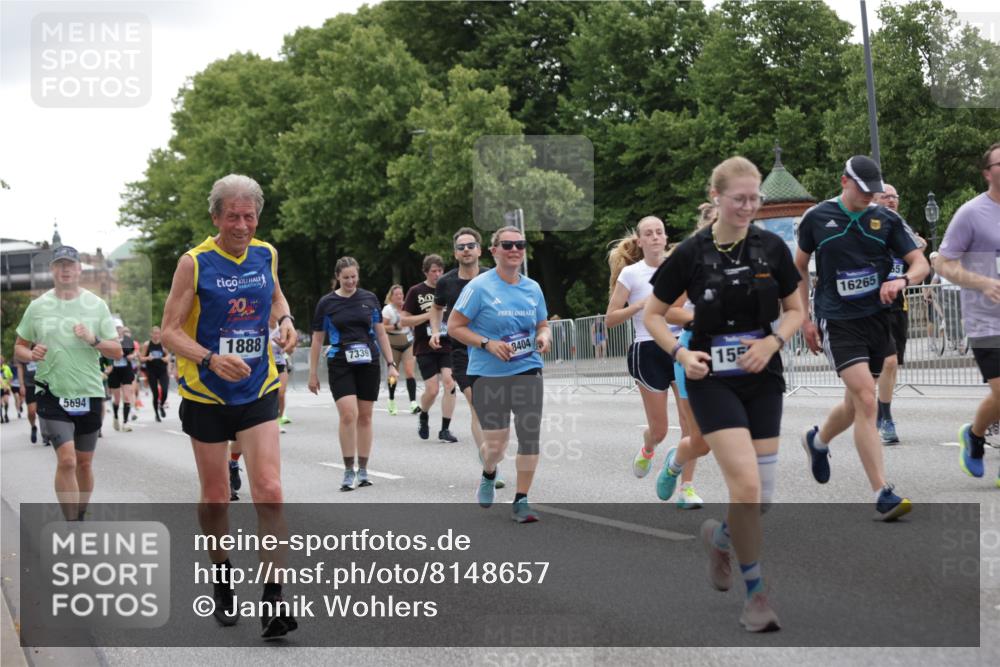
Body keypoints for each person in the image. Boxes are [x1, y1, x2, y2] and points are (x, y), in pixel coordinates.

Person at [645, 156, 805, 632]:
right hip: (710, 377)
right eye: (740, 199)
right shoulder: (691, 253)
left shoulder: (771, 247)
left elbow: (796, 309)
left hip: (763, 376)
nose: (749, 207)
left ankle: (720, 539)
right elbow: (654, 315)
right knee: (747, 487)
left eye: (755, 199)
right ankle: (756, 594)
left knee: (763, 498)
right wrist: (680, 353)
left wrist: (774, 341)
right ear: (716, 198)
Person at [160, 173, 298, 639]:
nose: (242, 224)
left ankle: (274, 600)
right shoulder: (193, 264)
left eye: (250, 215)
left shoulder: (266, 253)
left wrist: (285, 319)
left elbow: (275, 292)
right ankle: (221, 575)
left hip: (258, 387)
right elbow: (170, 332)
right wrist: (211, 359)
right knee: (217, 496)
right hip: (208, 393)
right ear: (215, 216)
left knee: (270, 489)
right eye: (233, 216)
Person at [796, 156, 928, 520]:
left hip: (876, 318)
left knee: (855, 404)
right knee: (868, 401)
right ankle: (881, 492)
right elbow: (798, 270)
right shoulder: (817, 218)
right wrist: (804, 318)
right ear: (844, 182)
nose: (870, 197)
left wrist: (902, 280)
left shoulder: (886, 219)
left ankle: (817, 439)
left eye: (875, 191)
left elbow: (920, 262)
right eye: (863, 190)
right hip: (837, 320)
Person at [449, 225, 551, 523]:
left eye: (520, 244)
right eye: (507, 245)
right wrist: (487, 343)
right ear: (493, 251)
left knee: (529, 437)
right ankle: (489, 471)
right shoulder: (478, 287)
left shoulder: (532, 288)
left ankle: (521, 500)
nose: (515, 249)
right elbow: (455, 327)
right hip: (488, 373)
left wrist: (544, 337)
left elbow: (542, 324)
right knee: (496, 445)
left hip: (527, 367)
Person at [14, 245, 123, 521]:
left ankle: (81, 513)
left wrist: (93, 340)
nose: (65, 269)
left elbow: (117, 351)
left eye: (70, 265)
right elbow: (19, 348)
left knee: (84, 464)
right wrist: (31, 353)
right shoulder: (37, 307)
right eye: (59, 264)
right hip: (51, 391)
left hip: (88, 391)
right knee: (68, 460)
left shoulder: (96, 305)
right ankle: (72, 524)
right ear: (52, 270)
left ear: (78, 269)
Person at [605, 215, 704, 508]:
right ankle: (649, 447)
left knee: (691, 425)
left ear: (665, 237)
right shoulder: (631, 274)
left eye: (659, 232)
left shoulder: (680, 268)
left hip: (678, 344)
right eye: (649, 233)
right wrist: (638, 306)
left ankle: (686, 486)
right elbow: (610, 319)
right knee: (660, 430)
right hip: (647, 349)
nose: (655, 237)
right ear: (640, 241)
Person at [934, 142, 1000, 485]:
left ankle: (975, 435)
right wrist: (982, 282)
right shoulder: (971, 213)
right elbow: (943, 263)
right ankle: (975, 436)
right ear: (987, 172)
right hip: (986, 319)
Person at [309, 257, 398, 491]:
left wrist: (391, 363)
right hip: (340, 362)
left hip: (368, 360)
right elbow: (317, 339)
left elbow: (380, 333)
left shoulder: (369, 299)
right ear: (338, 276)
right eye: (346, 277)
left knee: (365, 417)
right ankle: (348, 470)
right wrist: (312, 374)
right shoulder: (326, 303)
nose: (350, 281)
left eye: (354, 277)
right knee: (349, 414)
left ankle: (364, 469)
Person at [432, 227, 505, 489]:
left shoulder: (493, 277)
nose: (466, 250)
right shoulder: (446, 282)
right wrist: (434, 330)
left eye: (470, 245)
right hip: (463, 352)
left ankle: (489, 456)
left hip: (492, 350)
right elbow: (437, 308)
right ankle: (491, 464)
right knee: (478, 405)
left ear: (480, 249)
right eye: (461, 247)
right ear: (455, 253)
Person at [871, 184, 926, 444]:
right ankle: (884, 417)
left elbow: (915, 269)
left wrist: (918, 254)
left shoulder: (901, 229)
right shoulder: (868, 229)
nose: (892, 201)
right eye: (886, 196)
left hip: (897, 304)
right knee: (886, 364)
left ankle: (878, 411)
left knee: (891, 367)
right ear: (874, 199)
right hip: (872, 306)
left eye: (895, 197)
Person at [402, 255, 459, 442]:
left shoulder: (450, 288)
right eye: (433, 271)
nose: (437, 274)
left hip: (447, 343)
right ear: (426, 272)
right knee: (433, 389)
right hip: (424, 345)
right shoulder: (416, 291)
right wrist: (429, 315)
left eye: (440, 270)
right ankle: (424, 414)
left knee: (450, 383)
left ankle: (445, 429)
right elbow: (404, 319)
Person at [381, 285, 418, 415]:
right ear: (391, 296)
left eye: (401, 294)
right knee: (393, 375)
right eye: (396, 294)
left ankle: (413, 403)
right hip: (393, 345)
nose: (400, 297)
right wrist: (396, 326)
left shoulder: (407, 307)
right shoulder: (387, 310)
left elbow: (414, 321)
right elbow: (382, 328)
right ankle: (391, 400)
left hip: (408, 343)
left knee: (409, 372)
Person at [107, 324, 136, 431]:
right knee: (117, 400)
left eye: (120, 328)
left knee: (127, 397)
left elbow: (134, 353)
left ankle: (125, 423)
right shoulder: (109, 341)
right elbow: (106, 355)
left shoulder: (128, 340)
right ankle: (115, 417)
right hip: (114, 371)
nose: (119, 330)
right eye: (116, 328)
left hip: (126, 370)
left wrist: (132, 356)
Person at [140, 326, 170, 423]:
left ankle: (161, 406)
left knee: (165, 390)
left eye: (158, 333)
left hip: (162, 371)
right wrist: (147, 358)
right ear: (151, 334)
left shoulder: (163, 344)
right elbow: (141, 358)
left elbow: (168, 355)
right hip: (151, 371)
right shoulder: (147, 345)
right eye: (155, 333)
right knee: (155, 393)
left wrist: (166, 359)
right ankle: (157, 414)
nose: (156, 335)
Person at [18, 356, 41, 443]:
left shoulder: (41, 346)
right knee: (31, 412)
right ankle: (33, 426)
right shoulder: (23, 349)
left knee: (44, 411)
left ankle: (47, 433)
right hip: (29, 386)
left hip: (43, 384)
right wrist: (21, 385)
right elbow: (20, 369)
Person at [0, 356, 12, 423]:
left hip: (6, 388)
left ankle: (6, 414)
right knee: (0, 404)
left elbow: (10, 377)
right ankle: (1, 416)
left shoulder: (7, 368)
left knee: (6, 401)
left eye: (1, 360)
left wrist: (8, 386)